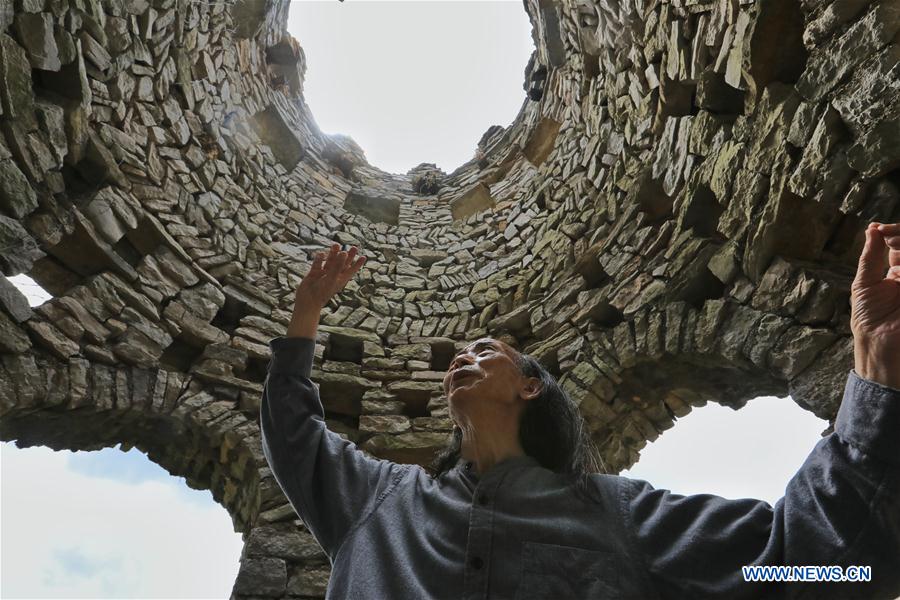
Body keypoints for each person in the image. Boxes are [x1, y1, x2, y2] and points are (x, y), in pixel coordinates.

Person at [260, 223, 900, 599]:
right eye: (459, 353)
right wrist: (305, 314)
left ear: (530, 387)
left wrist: (875, 369)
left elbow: (800, 563)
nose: (462, 356)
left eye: (486, 350)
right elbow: (294, 437)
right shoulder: (383, 501)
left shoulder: (615, 513)